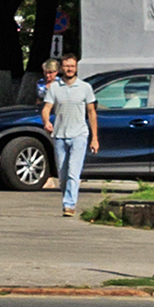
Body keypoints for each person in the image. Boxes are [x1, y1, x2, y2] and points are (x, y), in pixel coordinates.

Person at [41, 54, 98, 209]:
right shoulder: (54, 87)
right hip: (59, 135)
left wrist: (94, 138)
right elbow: (46, 109)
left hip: (79, 135)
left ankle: (69, 205)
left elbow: (92, 113)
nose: (69, 69)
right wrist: (46, 122)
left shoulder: (85, 87)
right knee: (63, 174)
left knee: (73, 172)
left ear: (76, 68)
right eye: (66, 66)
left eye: (72, 66)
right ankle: (67, 197)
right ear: (62, 68)